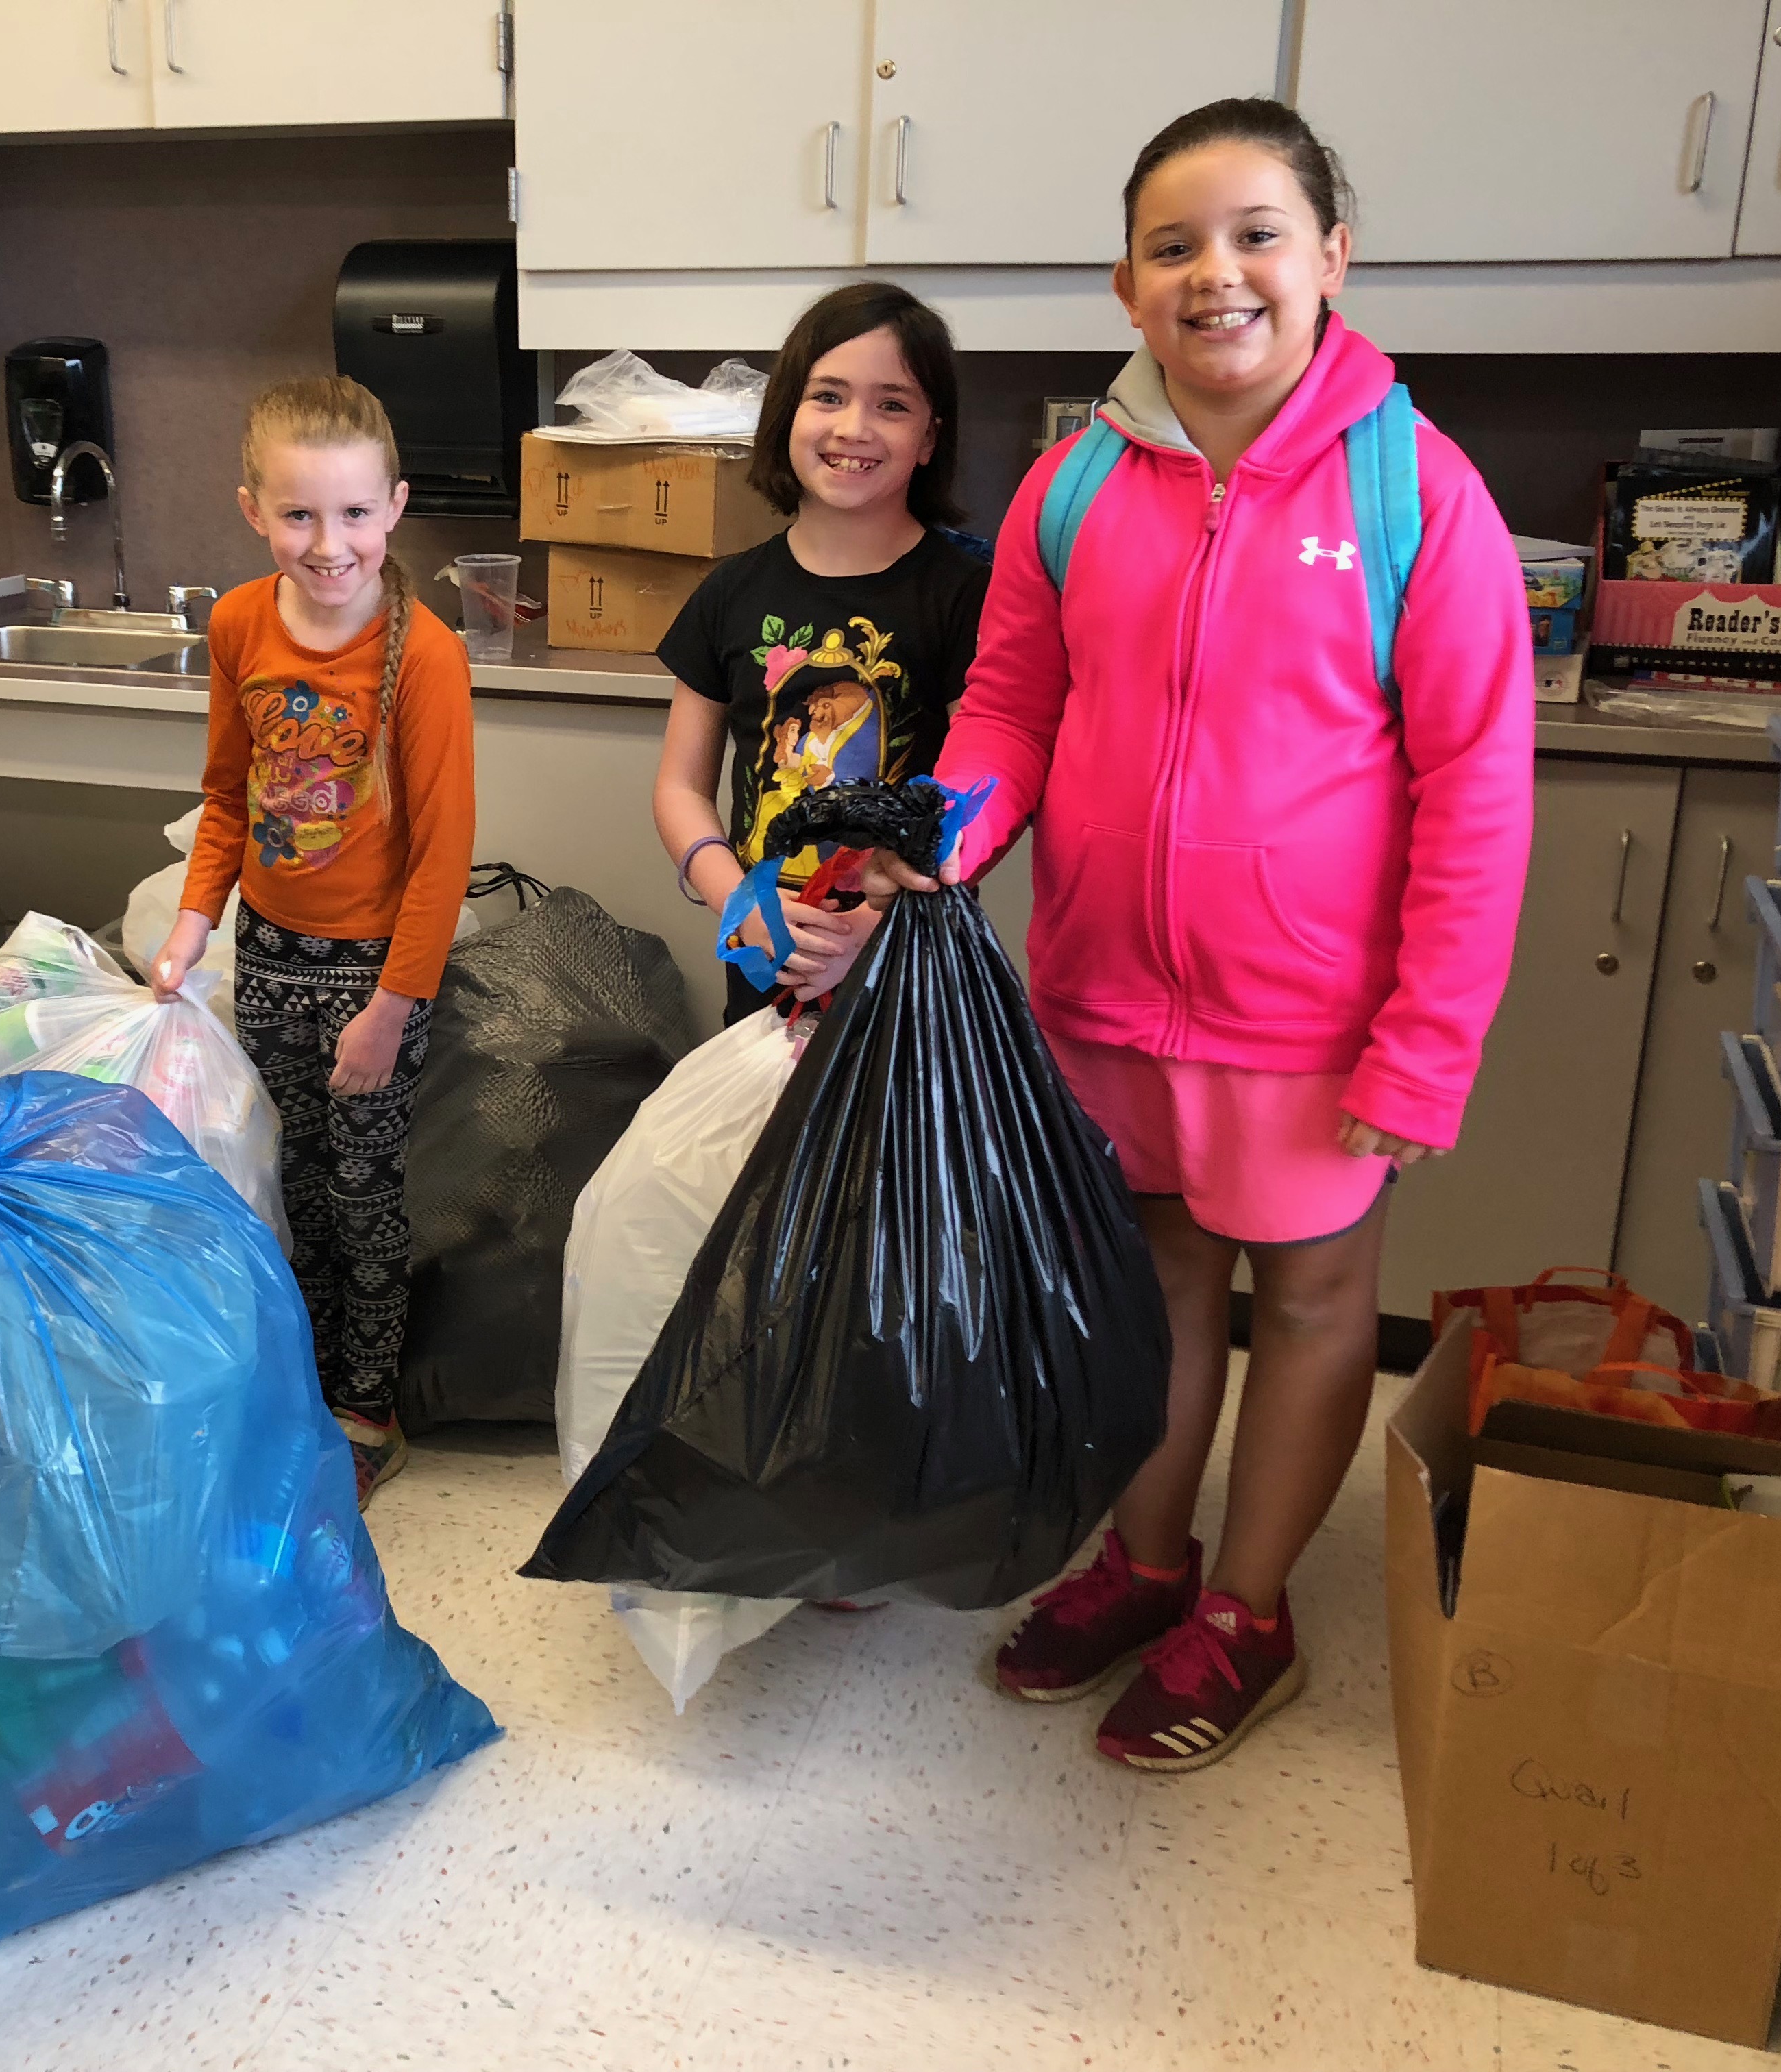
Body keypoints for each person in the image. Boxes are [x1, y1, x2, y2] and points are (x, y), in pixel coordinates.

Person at [877, 99, 1532, 1769]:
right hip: (1106, 993)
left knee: (1312, 1309)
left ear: (1332, 257)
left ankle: (1250, 1614)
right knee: (1159, 1291)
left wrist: (1427, 1047)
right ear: (1124, 282)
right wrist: (944, 841)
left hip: (1319, 1026)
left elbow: (1477, 793)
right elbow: (1012, 703)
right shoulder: (1073, 486)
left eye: (1256, 234)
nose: (1216, 274)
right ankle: (1147, 1565)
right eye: (1175, 245)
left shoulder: (1416, 492)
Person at [148, 376, 476, 1507]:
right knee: (293, 1179)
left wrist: (392, 1007)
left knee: (366, 1191)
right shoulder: (238, 623)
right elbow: (228, 800)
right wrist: (193, 929)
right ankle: (313, 1379)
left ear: (394, 507)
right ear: (252, 510)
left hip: (374, 975)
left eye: (350, 514)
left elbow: (439, 855)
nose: (326, 543)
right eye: (297, 515)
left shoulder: (422, 654)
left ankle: (368, 1408)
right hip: (268, 955)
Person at [652, 283, 990, 1024]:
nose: (855, 427)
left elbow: (973, 810)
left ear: (931, 438)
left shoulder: (968, 596)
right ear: (787, 416)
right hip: (765, 955)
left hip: (905, 961)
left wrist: (870, 929)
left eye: (893, 404)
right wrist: (739, 901)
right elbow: (680, 789)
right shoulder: (729, 591)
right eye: (828, 396)